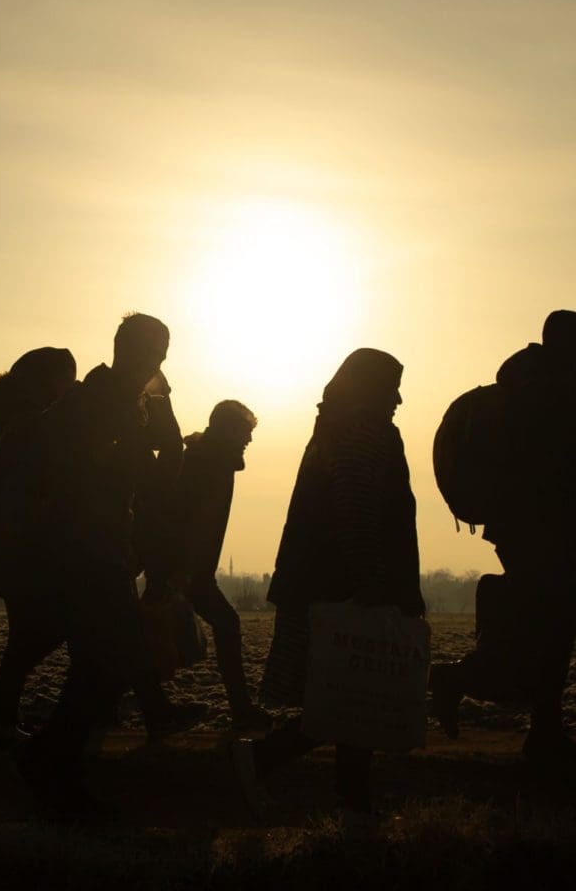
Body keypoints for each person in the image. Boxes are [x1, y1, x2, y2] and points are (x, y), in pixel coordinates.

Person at [16, 313, 199, 817]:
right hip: (84, 551)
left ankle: (53, 765)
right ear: (132, 351)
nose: (159, 365)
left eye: (163, 356)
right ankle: (52, 766)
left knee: (103, 663)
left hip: (101, 548)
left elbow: (156, 465)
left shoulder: (121, 401)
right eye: (155, 354)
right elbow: (89, 478)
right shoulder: (98, 402)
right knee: (109, 661)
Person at [231, 348, 423, 820]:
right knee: (348, 696)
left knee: (349, 697)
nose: (398, 398)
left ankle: (350, 798)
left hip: (327, 583)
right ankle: (266, 763)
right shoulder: (362, 431)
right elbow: (356, 512)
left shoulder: (337, 428)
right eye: (390, 387)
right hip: (344, 588)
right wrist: (373, 585)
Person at [429, 310, 576, 765]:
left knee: (547, 629)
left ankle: (535, 724)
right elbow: (562, 482)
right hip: (541, 532)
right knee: (557, 626)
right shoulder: (552, 399)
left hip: (519, 529)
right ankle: (463, 686)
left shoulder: (528, 389)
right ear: (568, 348)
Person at [0, 347, 77, 747]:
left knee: (24, 635)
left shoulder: (14, 420)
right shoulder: (31, 424)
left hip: (12, 549)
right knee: (54, 627)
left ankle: (3, 720)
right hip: (26, 548)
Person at [138, 398, 269, 729]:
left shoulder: (210, 458)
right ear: (229, 431)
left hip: (184, 568)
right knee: (218, 625)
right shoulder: (207, 462)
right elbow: (187, 519)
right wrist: (181, 571)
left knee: (147, 638)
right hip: (183, 569)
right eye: (245, 432)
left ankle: (151, 710)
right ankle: (239, 709)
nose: (249, 440)